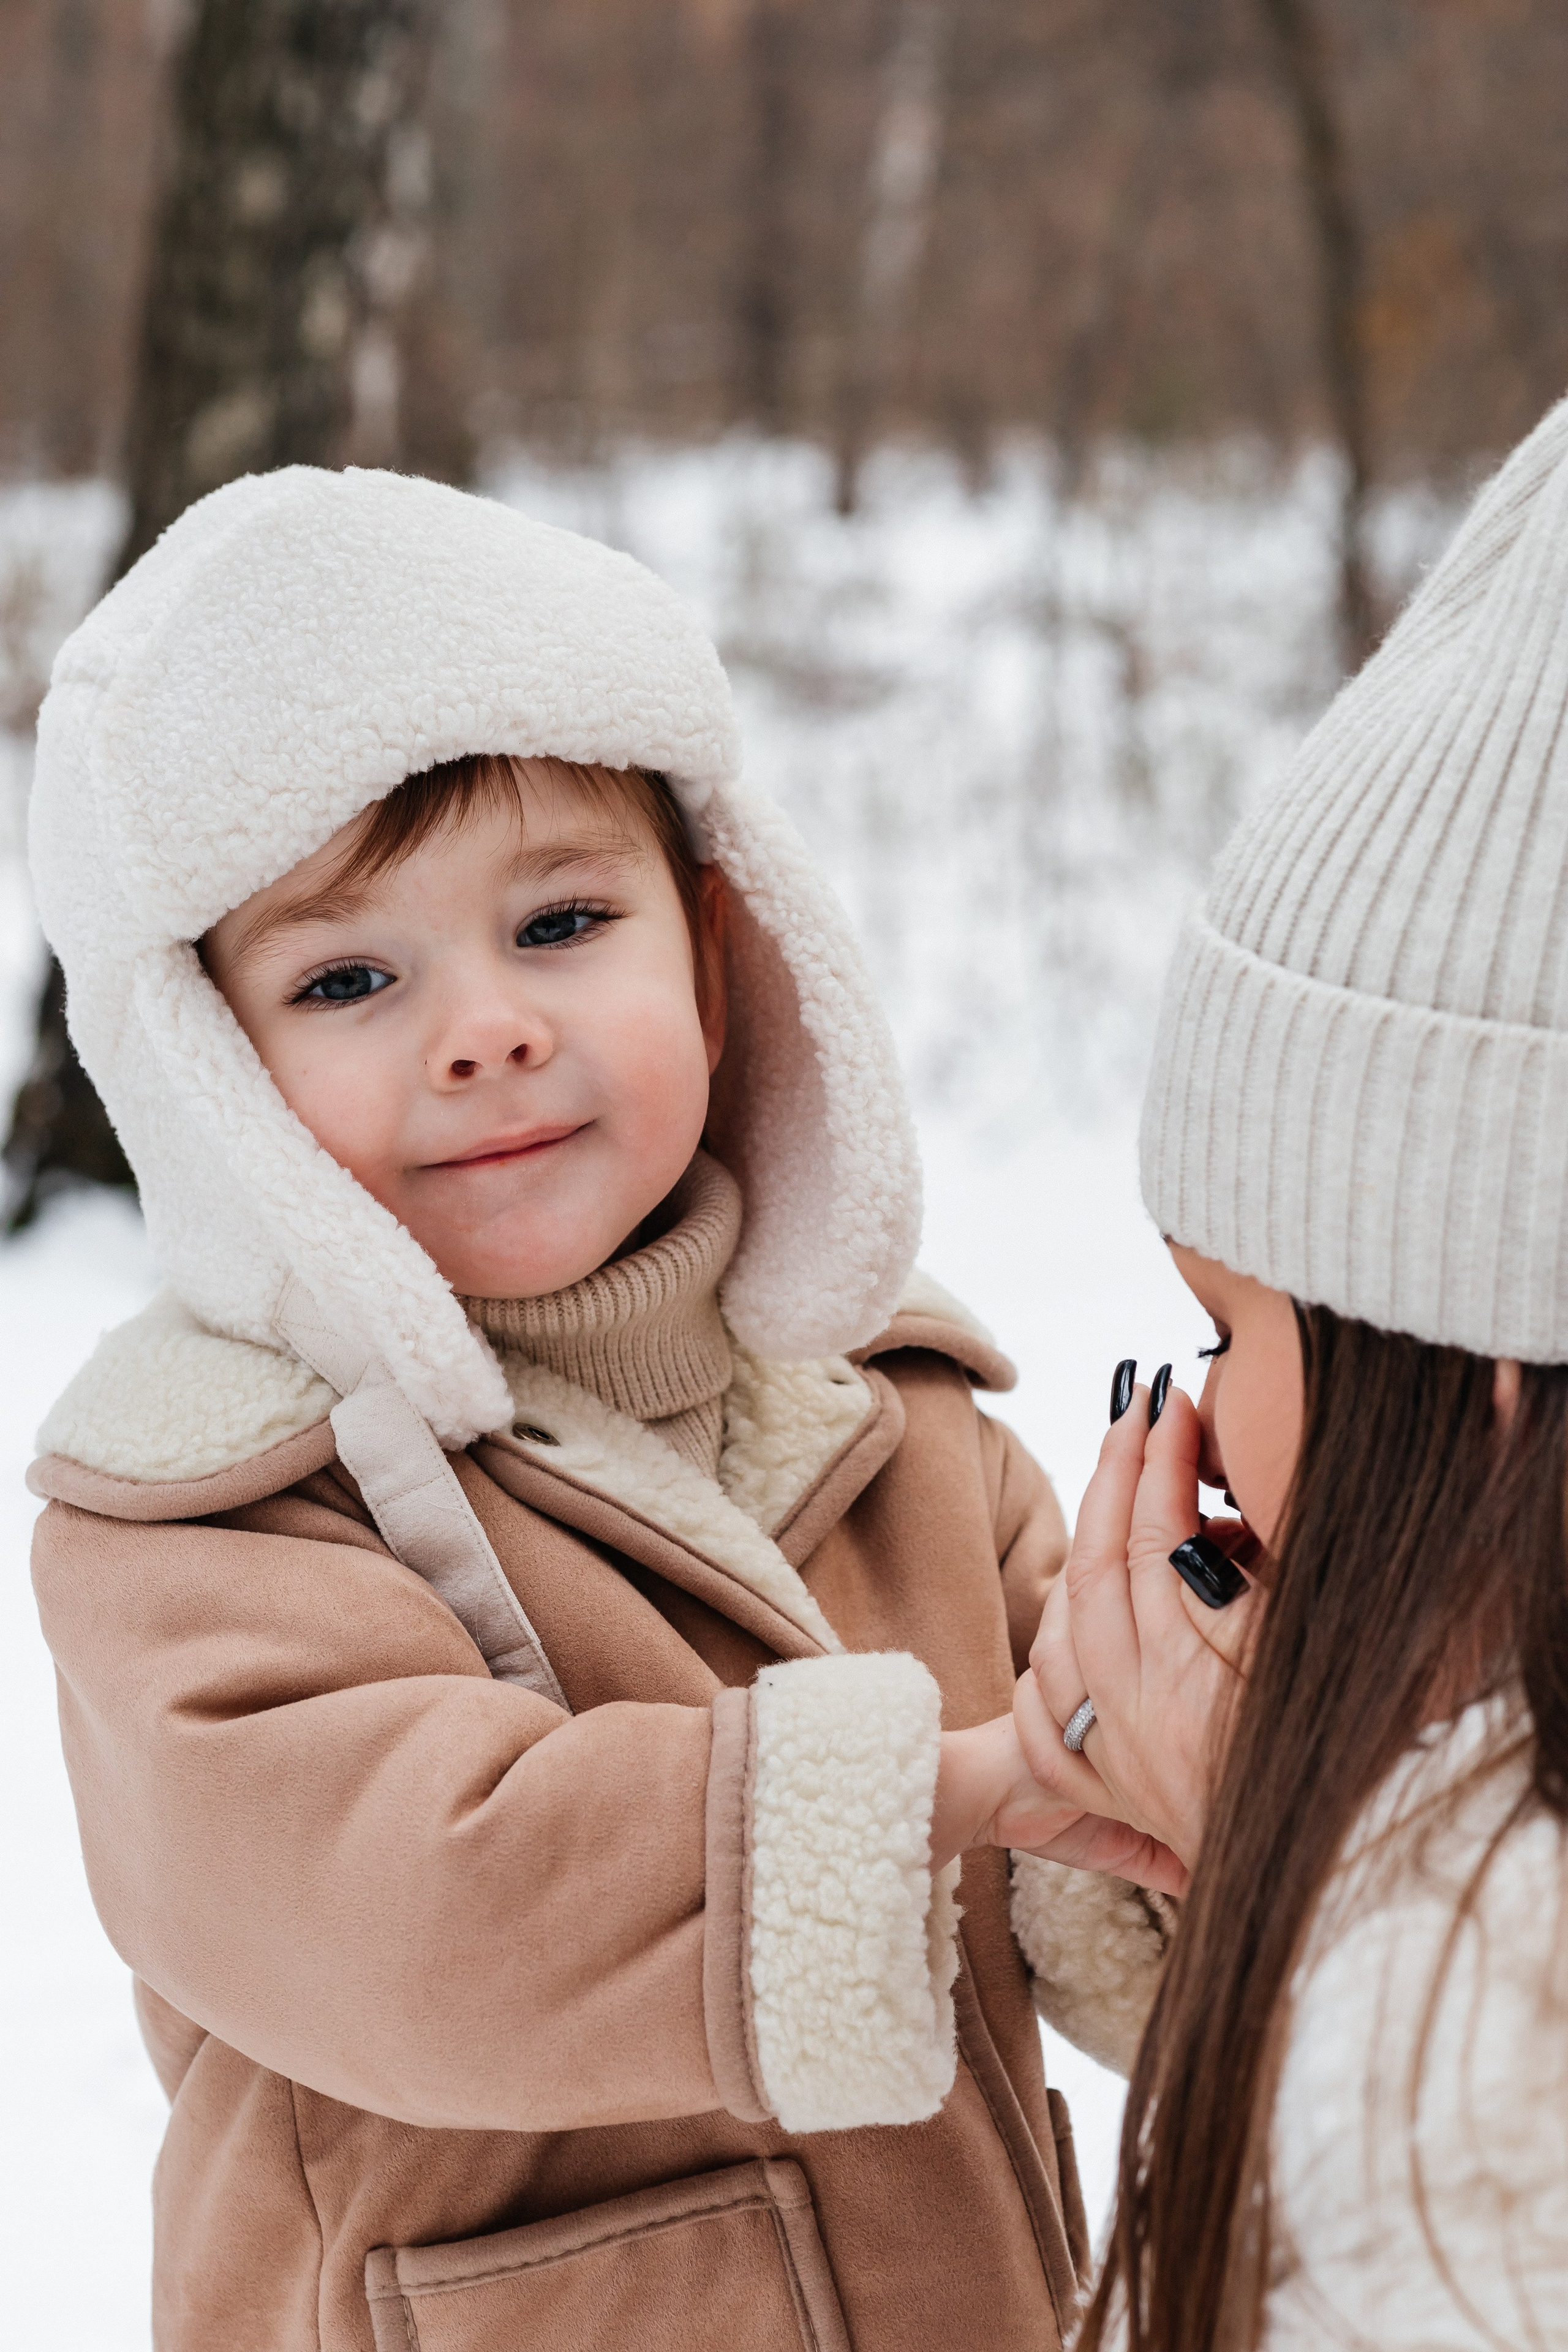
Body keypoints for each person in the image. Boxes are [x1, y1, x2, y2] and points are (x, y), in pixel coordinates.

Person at [25, 466, 1178, 2352]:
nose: (484, 1028)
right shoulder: (206, 1515)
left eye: (559, 925)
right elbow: (416, 1915)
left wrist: (1205, 1722)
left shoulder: (895, 1418)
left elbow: (1120, 1800)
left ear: (719, 958)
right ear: (208, 1086)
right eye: (349, 977)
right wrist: (950, 1790)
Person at [1017, 396, 1568, 2350]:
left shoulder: (1475, 2030)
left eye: (1239, 1328)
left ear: (1487, 1367)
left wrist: (1336, 1870)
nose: (1203, 1413)